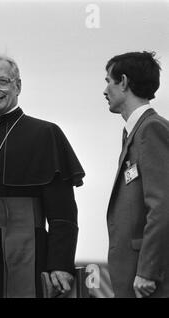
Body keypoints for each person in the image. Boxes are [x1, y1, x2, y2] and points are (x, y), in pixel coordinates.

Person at [0, 55, 85, 298]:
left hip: (29, 250)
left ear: (17, 86)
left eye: (2, 81)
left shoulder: (45, 133)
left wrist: (60, 264)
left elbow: (62, 211)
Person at [104, 51, 169, 298]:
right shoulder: (135, 132)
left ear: (123, 81)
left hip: (147, 282)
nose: (105, 90)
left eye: (108, 81)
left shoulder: (151, 129)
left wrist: (147, 270)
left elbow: (162, 206)